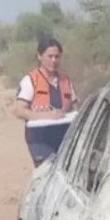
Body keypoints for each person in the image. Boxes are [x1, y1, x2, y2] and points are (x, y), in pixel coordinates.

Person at [13, 37, 78, 166]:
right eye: (49, 56)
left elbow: (75, 107)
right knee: (47, 172)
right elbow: (19, 111)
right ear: (39, 56)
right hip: (39, 139)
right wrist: (47, 116)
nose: (53, 61)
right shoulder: (31, 80)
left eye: (57, 57)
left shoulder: (66, 80)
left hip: (65, 137)